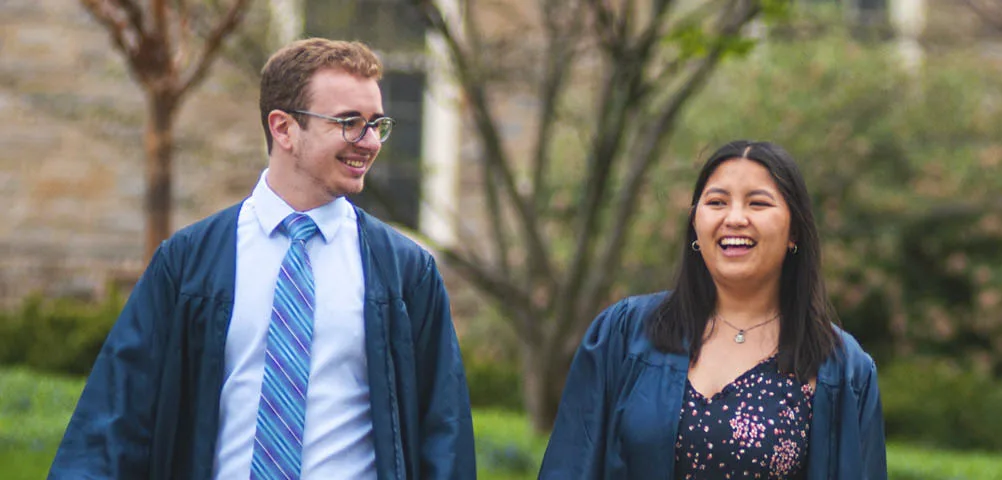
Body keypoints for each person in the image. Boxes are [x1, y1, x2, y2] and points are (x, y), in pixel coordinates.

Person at [51, 38, 476, 479]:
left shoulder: (405, 273)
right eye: (349, 122)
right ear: (283, 128)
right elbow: (116, 421)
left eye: (376, 124)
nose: (369, 142)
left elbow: (442, 437)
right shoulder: (189, 264)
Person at [539, 140, 885, 479]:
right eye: (717, 202)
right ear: (695, 223)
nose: (734, 218)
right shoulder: (626, 333)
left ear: (794, 229)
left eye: (758, 204)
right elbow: (571, 463)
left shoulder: (841, 368)